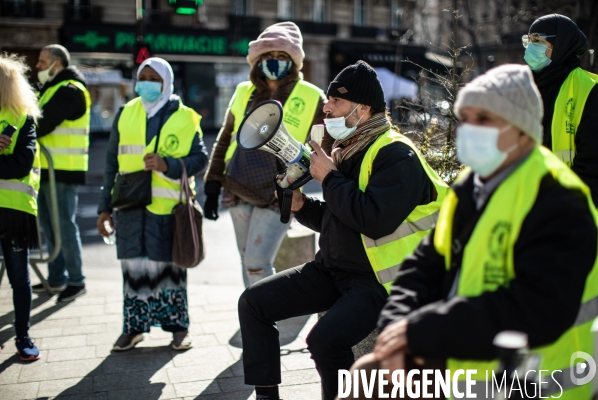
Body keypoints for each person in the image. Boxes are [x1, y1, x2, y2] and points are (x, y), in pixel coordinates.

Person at [347, 64, 598, 400]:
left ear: (521, 129)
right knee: (366, 378)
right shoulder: (471, 186)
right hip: (471, 372)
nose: (469, 129)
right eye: (464, 118)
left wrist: (424, 332)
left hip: (540, 384)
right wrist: (397, 326)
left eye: (484, 120)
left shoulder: (557, 198)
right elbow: (425, 266)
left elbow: (537, 308)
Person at [238, 60, 448, 400]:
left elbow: (373, 220)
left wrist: (329, 177)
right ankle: (266, 396)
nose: (327, 106)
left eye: (336, 101)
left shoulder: (396, 155)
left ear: (362, 108)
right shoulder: (349, 150)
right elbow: (340, 220)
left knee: (324, 340)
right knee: (253, 303)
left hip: (380, 279)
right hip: (334, 268)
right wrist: (302, 207)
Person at [203, 21, 329, 288]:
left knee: (257, 262)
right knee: (246, 258)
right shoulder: (243, 92)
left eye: (282, 56)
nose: (274, 61)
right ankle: (253, 315)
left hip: (279, 191)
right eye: (268, 56)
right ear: (257, 60)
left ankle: (263, 317)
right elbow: (225, 138)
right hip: (237, 185)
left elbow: (322, 147)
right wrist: (212, 184)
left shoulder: (312, 96)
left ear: (294, 62)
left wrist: (296, 180)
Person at [96, 58, 208, 352]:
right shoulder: (125, 113)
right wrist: (103, 208)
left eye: (153, 78)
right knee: (134, 270)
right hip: (129, 208)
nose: (145, 82)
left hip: (167, 211)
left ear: (166, 82)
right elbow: (111, 163)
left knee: (169, 270)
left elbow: (201, 159)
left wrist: (167, 164)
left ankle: (178, 329)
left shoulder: (185, 117)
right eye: (141, 76)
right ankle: (133, 329)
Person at [33, 44, 90, 302]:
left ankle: (76, 280)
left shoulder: (71, 91)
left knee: (64, 225)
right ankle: (57, 278)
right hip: (46, 169)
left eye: (42, 62)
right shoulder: (51, 89)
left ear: (57, 64)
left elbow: (42, 123)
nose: (38, 67)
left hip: (64, 170)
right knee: (47, 225)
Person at [523, 14, 598, 202]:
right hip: (530, 203)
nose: (531, 47)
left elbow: (592, 162)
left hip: (572, 206)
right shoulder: (525, 87)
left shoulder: (589, 89)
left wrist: (570, 206)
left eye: (538, 40)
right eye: (529, 40)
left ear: (562, 44)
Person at [0, 53, 43, 360]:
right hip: (14, 210)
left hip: (15, 211)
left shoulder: (22, 118)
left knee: (19, 278)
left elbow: (21, 165)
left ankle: (23, 336)